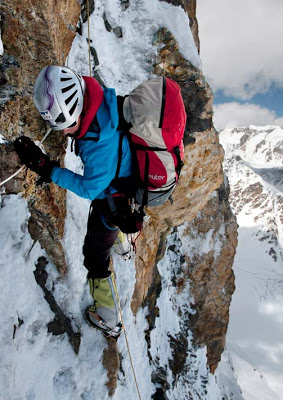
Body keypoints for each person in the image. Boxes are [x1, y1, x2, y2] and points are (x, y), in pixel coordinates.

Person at [14, 65, 136, 338]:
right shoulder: (97, 101)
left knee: (95, 256)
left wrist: (48, 169)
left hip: (115, 197)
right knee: (111, 224)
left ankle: (109, 316)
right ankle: (121, 243)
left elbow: (91, 188)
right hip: (123, 178)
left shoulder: (98, 145)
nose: (65, 133)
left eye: (65, 126)